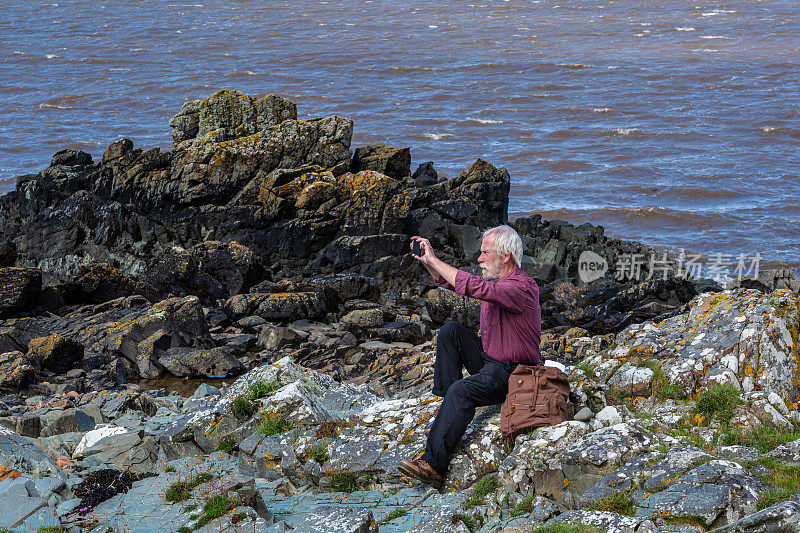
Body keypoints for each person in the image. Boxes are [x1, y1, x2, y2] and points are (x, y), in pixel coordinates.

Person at [397, 225, 541, 489]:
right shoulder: (495, 283)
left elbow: (472, 287)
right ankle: (444, 414)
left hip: (514, 374)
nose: (479, 258)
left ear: (506, 256)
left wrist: (436, 260)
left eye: (485, 253)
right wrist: (428, 260)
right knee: (451, 332)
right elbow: (450, 283)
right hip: (490, 361)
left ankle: (433, 465)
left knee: (462, 391)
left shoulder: (522, 287)